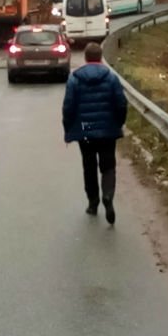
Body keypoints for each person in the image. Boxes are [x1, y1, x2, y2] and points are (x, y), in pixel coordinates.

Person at [62, 42, 128, 225]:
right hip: (107, 130)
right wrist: (118, 123)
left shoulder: (74, 78)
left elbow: (68, 107)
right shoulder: (112, 78)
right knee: (108, 166)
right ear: (100, 57)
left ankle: (93, 203)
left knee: (89, 166)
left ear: (85, 57)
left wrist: (68, 129)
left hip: (85, 131)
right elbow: (121, 103)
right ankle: (108, 196)